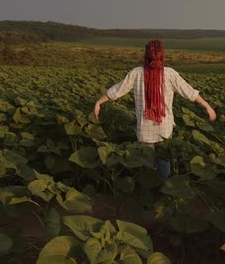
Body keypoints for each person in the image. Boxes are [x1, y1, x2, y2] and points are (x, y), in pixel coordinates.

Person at [93, 39, 216, 181]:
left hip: (144, 130)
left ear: (145, 55)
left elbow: (117, 91)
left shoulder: (136, 73)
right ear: (162, 55)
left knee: (146, 164)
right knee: (164, 162)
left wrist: (99, 102)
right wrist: (207, 106)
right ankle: (164, 191)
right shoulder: (170, 74)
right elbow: (190, 93)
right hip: (165, 129)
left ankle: (148, 191)